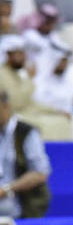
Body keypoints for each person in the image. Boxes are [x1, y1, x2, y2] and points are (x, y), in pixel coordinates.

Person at [0, 34, 72, 139]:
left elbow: (30, 103)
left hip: (26, 113)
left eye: (23, 53)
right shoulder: (2, 75)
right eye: (19, 53)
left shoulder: (16, 74)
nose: (23, 57)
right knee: (48, 125)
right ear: (8, 55)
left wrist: (55, 111)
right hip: (11, 116)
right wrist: (29, 79)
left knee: (62, 120)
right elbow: (16, 103)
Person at [0, 88, 51, 218]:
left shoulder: (25, 133)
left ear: (6, 106)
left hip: (18, 211)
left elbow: (40, 173)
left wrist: (6, 189)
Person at [21, 4, 61, 71]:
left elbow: (60, 48)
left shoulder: (53, 35)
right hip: (33, 72)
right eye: (47, 23)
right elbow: (43, 45)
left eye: (52, 23)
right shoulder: (29, 35)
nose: (50, 26)